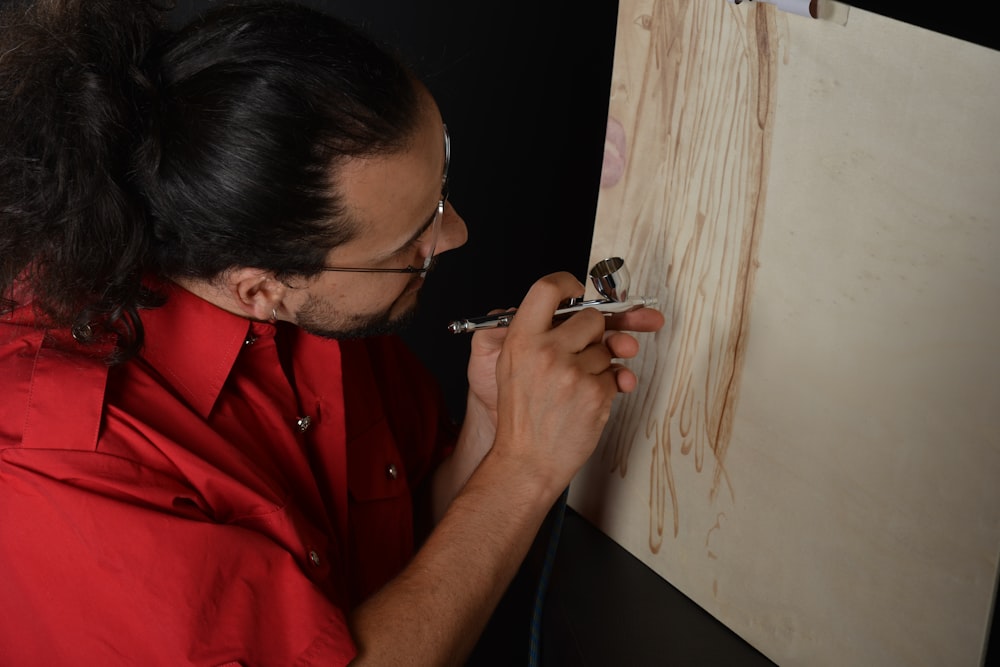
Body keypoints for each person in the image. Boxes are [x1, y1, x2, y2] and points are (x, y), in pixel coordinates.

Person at [0, 0, 664, 664]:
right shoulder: (67, 468)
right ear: (260, 288)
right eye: (413, 243)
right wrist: (525, 468)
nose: (455, 233)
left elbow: (412, 553)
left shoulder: (311, 300)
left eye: (439, 188)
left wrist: (494, 428)